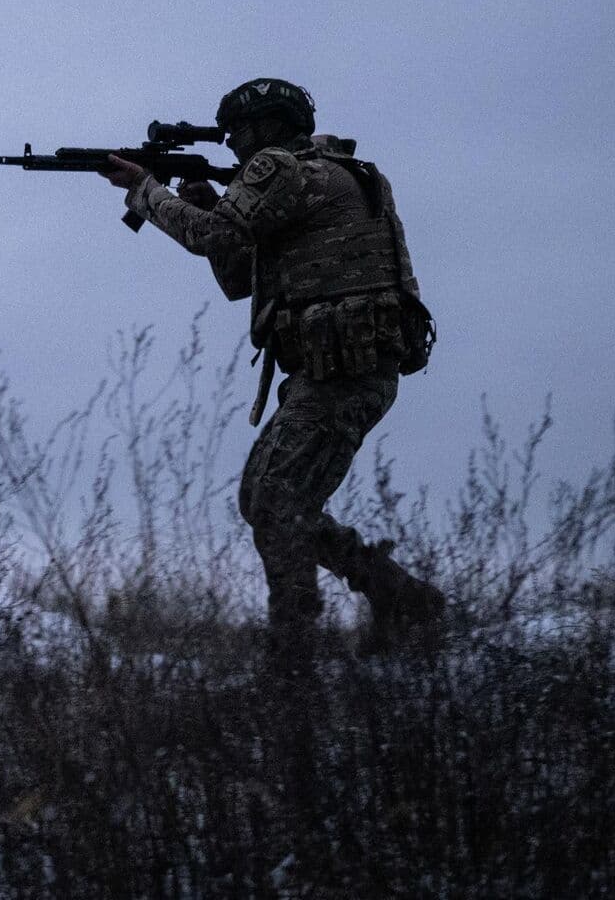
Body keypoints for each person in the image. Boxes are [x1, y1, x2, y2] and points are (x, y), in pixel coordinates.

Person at [97, 78, 444, 671]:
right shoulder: (331, 172)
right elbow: (237, 276)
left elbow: (210, 237)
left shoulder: (283, 170)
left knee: (279, 501)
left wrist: (147, 192)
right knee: (264, 499)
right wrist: (208, 204)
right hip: (338, 368)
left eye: (239, 133)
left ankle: (294, 659)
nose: (232, 145)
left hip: (344, 370)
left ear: (265, 130)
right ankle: (399, 597)